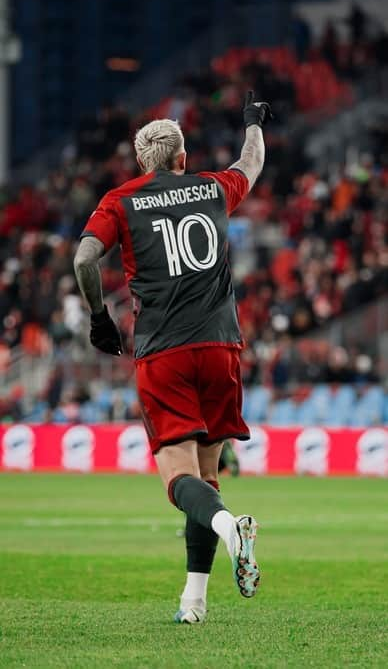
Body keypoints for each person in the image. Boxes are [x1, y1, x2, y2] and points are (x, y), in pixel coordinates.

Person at [74, 91, 272, 624]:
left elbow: (85, 258)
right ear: (182, 159)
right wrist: (252, 122)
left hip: (165, 352)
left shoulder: (122, 199)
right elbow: (249, 163)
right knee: (207, 475)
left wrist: (98, 317)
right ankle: (194, 601)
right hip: (222, 349)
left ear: (142, 163)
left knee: (177, 478)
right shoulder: (210, 188)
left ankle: (231, 528)